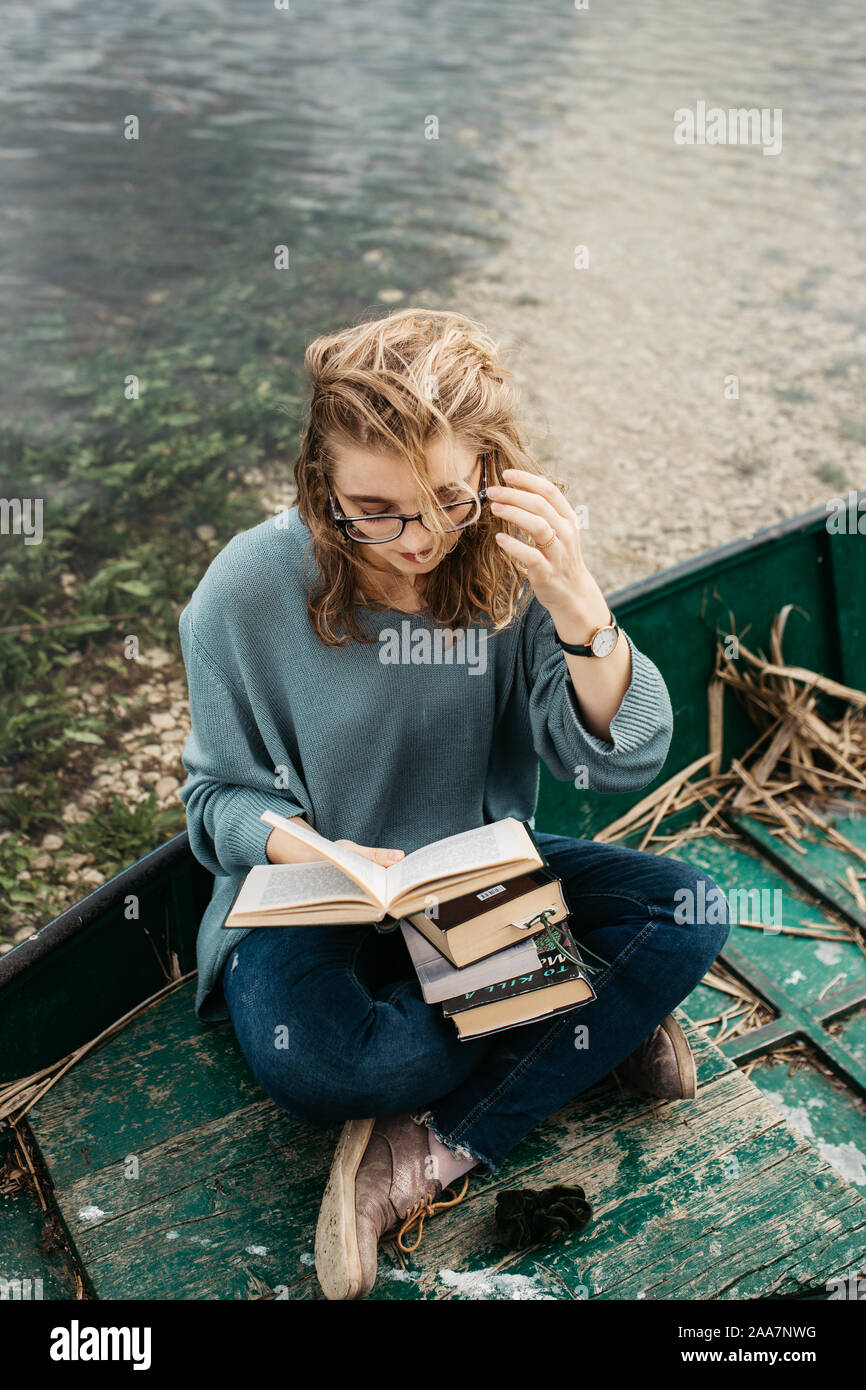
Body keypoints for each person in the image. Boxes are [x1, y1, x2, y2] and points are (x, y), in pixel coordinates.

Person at [177, 307, 730, 1301]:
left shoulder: (507, 572)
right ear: (319, 484)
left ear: (489, 471)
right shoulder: (241, 593)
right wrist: (304, 840)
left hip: (469, 883)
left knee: (690, 911)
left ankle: (422, 1154)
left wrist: (579, 608)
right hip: (307, 893)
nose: (417, 538)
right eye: (373, 507)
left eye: (445, 498)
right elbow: (213, 796)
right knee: (339, 1072)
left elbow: (617, 759)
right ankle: (580, 1012)